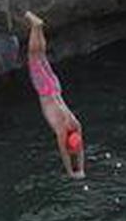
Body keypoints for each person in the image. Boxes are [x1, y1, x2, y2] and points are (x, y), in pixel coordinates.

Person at [26, 12, 85, 178]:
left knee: (41, 56)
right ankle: (35, 26)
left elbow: (80, 150)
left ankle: (38, 28)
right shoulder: (62, 129)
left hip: (55, 86)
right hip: (46, 90)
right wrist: (70, 172)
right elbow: (65, 154)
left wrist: (82, 169)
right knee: (33, 56)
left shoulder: (75, 124)